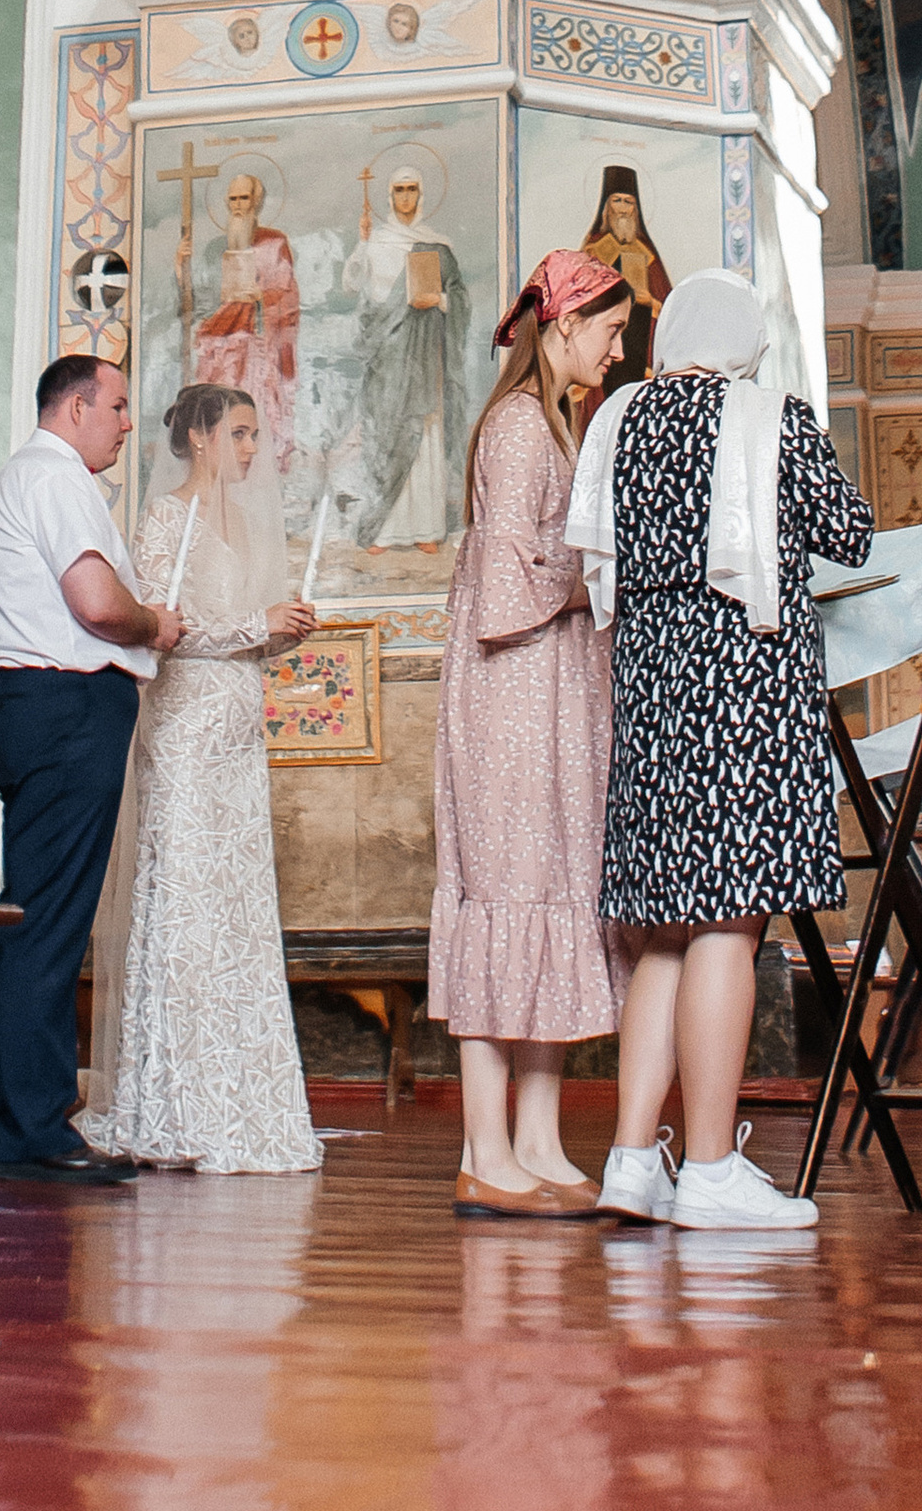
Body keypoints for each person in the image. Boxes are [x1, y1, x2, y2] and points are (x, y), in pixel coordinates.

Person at [568, 271, 874, 1232]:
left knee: (665, 930)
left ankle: (632, 1162)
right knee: (730, 927)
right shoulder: (769, 416)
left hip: (650, 690)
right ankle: (707, 1167)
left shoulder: (618, 419)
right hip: (745, 689)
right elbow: (851, 536)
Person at [431, 249, 632, 1219]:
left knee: (552, 895)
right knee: (508, 897)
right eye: (610, 330)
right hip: (511, 700)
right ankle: (485, 1149)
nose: (618, 349)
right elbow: (508, 584)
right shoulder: (517, 426)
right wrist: (606, 569)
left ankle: (539, 1142)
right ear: (564, 326)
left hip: (551, 694)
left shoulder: (555, 423)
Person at [83, 383, 321, 1174]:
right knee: (186, 901)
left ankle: (241, 1096)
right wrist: (257, 624)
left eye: (256, 435)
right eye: (240, 434)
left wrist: (280, 634)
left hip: (238, 734)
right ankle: (176, 1104)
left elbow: (243, 636)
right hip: (184, 733)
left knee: (236, 905)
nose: (252, 449)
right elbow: (166, 629)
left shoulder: (245, 526)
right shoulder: (165, 519)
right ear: (198, 438)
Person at [0, 353, 185, 1186]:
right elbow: (96, 603)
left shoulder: (31, 477)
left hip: (34, 706)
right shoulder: (55, 477)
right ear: (75, 408)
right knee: (50, 922)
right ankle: (32, 1130)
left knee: (34, 914)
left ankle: (14, 1125)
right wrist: (154, 623)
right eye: (118, 406)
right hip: (64, 707)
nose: (127, 423)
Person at [347, 162, 473, 543]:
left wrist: (440, 300)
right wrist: (363, 242)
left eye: (411, 189)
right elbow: (353, 285)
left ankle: (426, 529)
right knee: (388, 434)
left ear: (421, 194)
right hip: (388, 357)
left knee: (425, 433)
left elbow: (460, 297)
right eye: (399, 190)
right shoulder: (378, 241)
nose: (406, 197)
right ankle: (384, 531)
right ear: (390, 196)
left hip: (426, 356)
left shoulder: (437, 245)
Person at [189, 167, 300, 464]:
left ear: (256, 202)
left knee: (255, 418)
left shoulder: (274, 242)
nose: (238, 205)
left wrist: (260, 296)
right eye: (233, 199)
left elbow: (287, 296)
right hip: (221, 350)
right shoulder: (215, 248)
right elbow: (201, 301)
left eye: (244, 198)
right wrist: (180, 269)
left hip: (258, 348)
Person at [580, 166, 670, 379]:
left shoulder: (646, 252)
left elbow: (668, 304)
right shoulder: (593, 249)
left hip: (640, 340)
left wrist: (649, 301)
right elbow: (580, 299)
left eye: (628, 202)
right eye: (617, 201)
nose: (622, 209)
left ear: (635, 209)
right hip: (604, 340)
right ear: (606, 206)